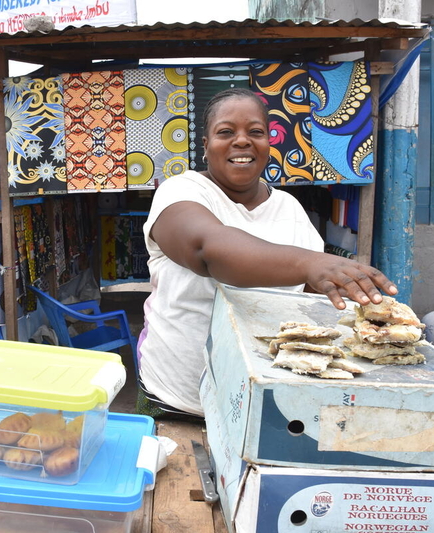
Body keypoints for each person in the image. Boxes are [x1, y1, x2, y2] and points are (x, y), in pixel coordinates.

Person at [136, 88, 397, 418]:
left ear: (269, 144)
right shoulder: (181, 192)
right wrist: (310, 262)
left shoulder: (289, 208)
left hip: (265, 399)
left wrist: (369, 317)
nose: (242, 141)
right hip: (178, 400)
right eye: (226, 132)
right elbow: (208, 251)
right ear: (205, 146)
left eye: (255, 132)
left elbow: (311, 295)